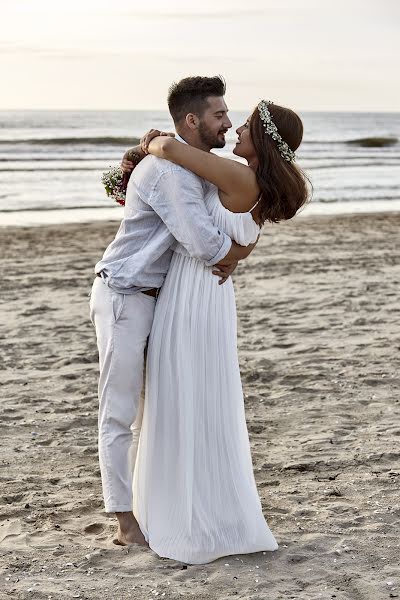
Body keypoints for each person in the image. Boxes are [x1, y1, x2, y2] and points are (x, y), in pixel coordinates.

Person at [123, 87, 310, 563]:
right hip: (211, 296)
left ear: (263, 141)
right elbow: (237, 236)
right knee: (199, 397)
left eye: (247, 124)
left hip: (190, 293)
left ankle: (183, 517)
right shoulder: (254, 183)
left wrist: (150, 143)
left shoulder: (235, 174)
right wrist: (238, 254)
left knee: (179, 397)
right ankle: (207, 508)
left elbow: (168, 149)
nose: (237, 128)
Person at [89, 75, 256, 548]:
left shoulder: (189, 164)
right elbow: (203, 243)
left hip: (154, 298)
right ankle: (124, 522)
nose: (227, 121)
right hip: (124, 294)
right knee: (119, 410)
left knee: (154, 407)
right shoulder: (167, 174)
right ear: (192, 120)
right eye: (219, 114)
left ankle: (150, 503)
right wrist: (241, 251)